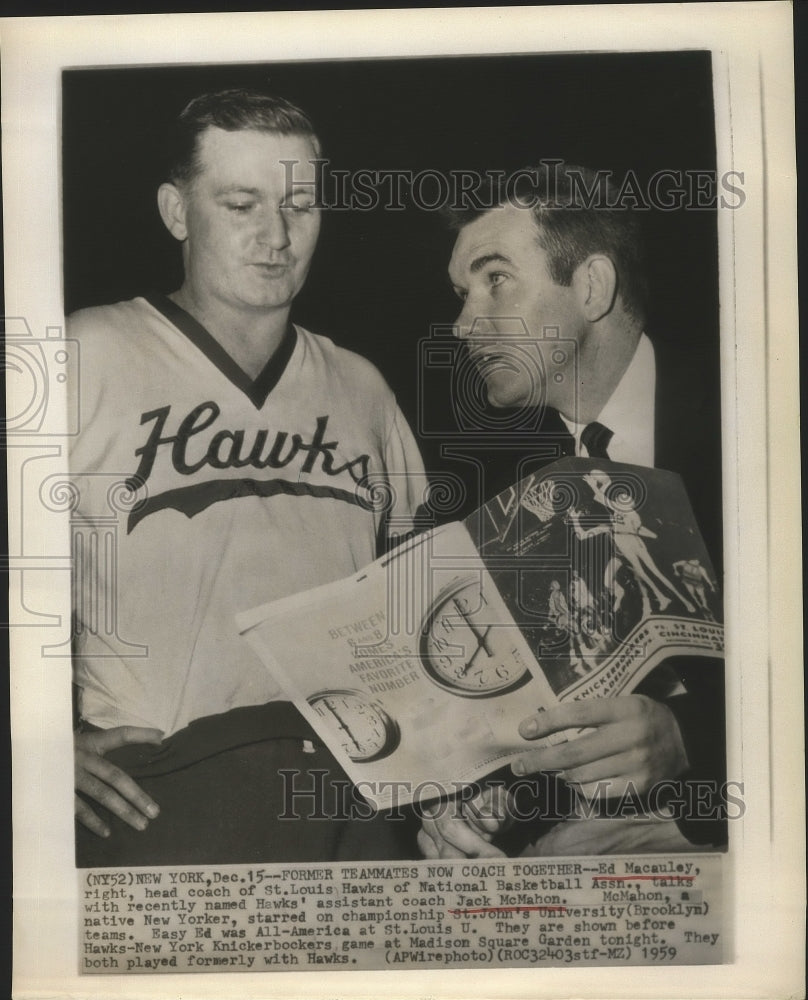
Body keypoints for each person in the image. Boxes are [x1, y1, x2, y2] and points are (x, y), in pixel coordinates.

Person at [69, 89, 427, 865]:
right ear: (176, 210)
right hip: (161, 790)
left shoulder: (363, 388)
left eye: (300, 205)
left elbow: (419, 608)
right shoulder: (83, 354)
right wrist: (28, 744)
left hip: (355, 793)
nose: (276, 237)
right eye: (241, 204)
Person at [419, 162, 725, 858]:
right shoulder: (498, 499)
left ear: (590, 286)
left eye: (495, 280)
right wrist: (473, 796)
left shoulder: (761, 423)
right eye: (462, 294)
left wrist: (689, 742)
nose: (464, 324)